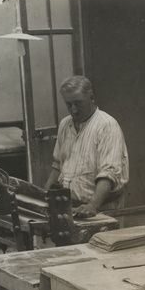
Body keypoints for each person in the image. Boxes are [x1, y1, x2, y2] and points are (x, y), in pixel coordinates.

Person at [46, 75, 129, 219]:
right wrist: (44, 195)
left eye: (78, 104)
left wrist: (93, 205)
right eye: (69, 105)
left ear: (91, 97)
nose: (74, 110)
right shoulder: (65, 125)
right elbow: (57, 165)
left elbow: (109, 174)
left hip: (102, 208)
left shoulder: (106, 125)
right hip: (70, 206)